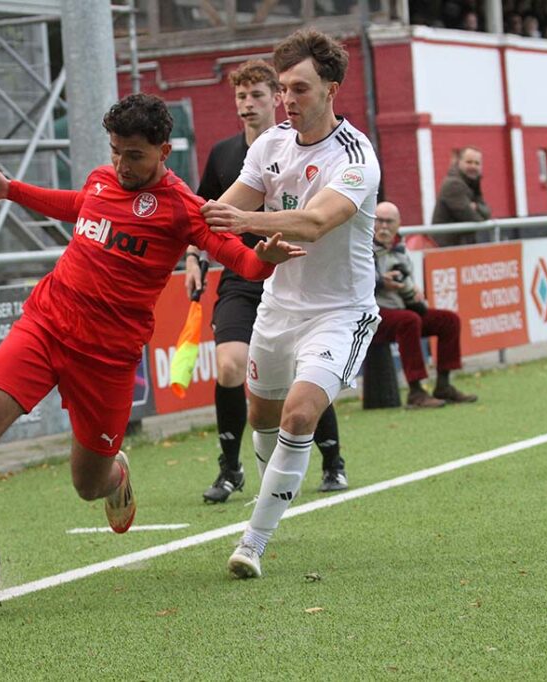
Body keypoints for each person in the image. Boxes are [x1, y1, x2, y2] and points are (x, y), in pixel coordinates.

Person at [0, 93, 305, 594]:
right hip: (46, 324)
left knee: (87, 485)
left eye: (135, 155)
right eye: (116, 150)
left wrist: (266, 256)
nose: (121, 164)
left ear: (164, 152)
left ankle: (116, 473)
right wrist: (11, 189)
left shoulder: (183, 210)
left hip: (106, 360)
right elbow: (78, 206)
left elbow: (242, 262)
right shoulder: (102, 178)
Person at [200, 29, 381, 579]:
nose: (287, 100)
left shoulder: (355, 154)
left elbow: (317, 221)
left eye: (299, 89)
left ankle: (253, 540)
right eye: (283, 89)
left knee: (301, 413)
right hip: (277, 308)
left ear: (331, 87)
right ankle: (271, 496)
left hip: (339, 312)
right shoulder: (270, 144)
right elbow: (223, 210)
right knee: (262, 413)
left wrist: (244, 223)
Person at [183, 59, 349, 504]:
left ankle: (332, 459)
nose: (247, 105)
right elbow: (206, 212)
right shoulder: (223, 154)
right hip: (243, 275)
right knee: (230, 366)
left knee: (304, 374)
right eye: (240, 96)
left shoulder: (316, 149)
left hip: (296, 275)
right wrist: (193, 255)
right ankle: (230, 467)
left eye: (257, 95)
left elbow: (319, 220)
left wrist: (244, 219)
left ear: (277, 99)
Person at [372, 202, 478, 408]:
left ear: (398, 224)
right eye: (379, 221)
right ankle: (416, 391)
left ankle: (444, 385)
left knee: (448, 320)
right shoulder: (360, 247)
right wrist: (380, 282)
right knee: (409, 321)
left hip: (400, 306)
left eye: (389, 221)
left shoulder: (400, 248)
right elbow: (351, 283)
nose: (383, 226)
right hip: (371, 314)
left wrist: (413, 290)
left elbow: (407, 278)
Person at [431, 146, 491, 246]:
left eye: (477, 163)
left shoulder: (472, 183)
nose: (473, 166)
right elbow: (474, 218)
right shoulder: (453, 185)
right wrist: (480, 211)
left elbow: (488, 212)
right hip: (447, 250)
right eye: (469, 162)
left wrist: (476, 207)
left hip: (462, 247)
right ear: (459, 162)